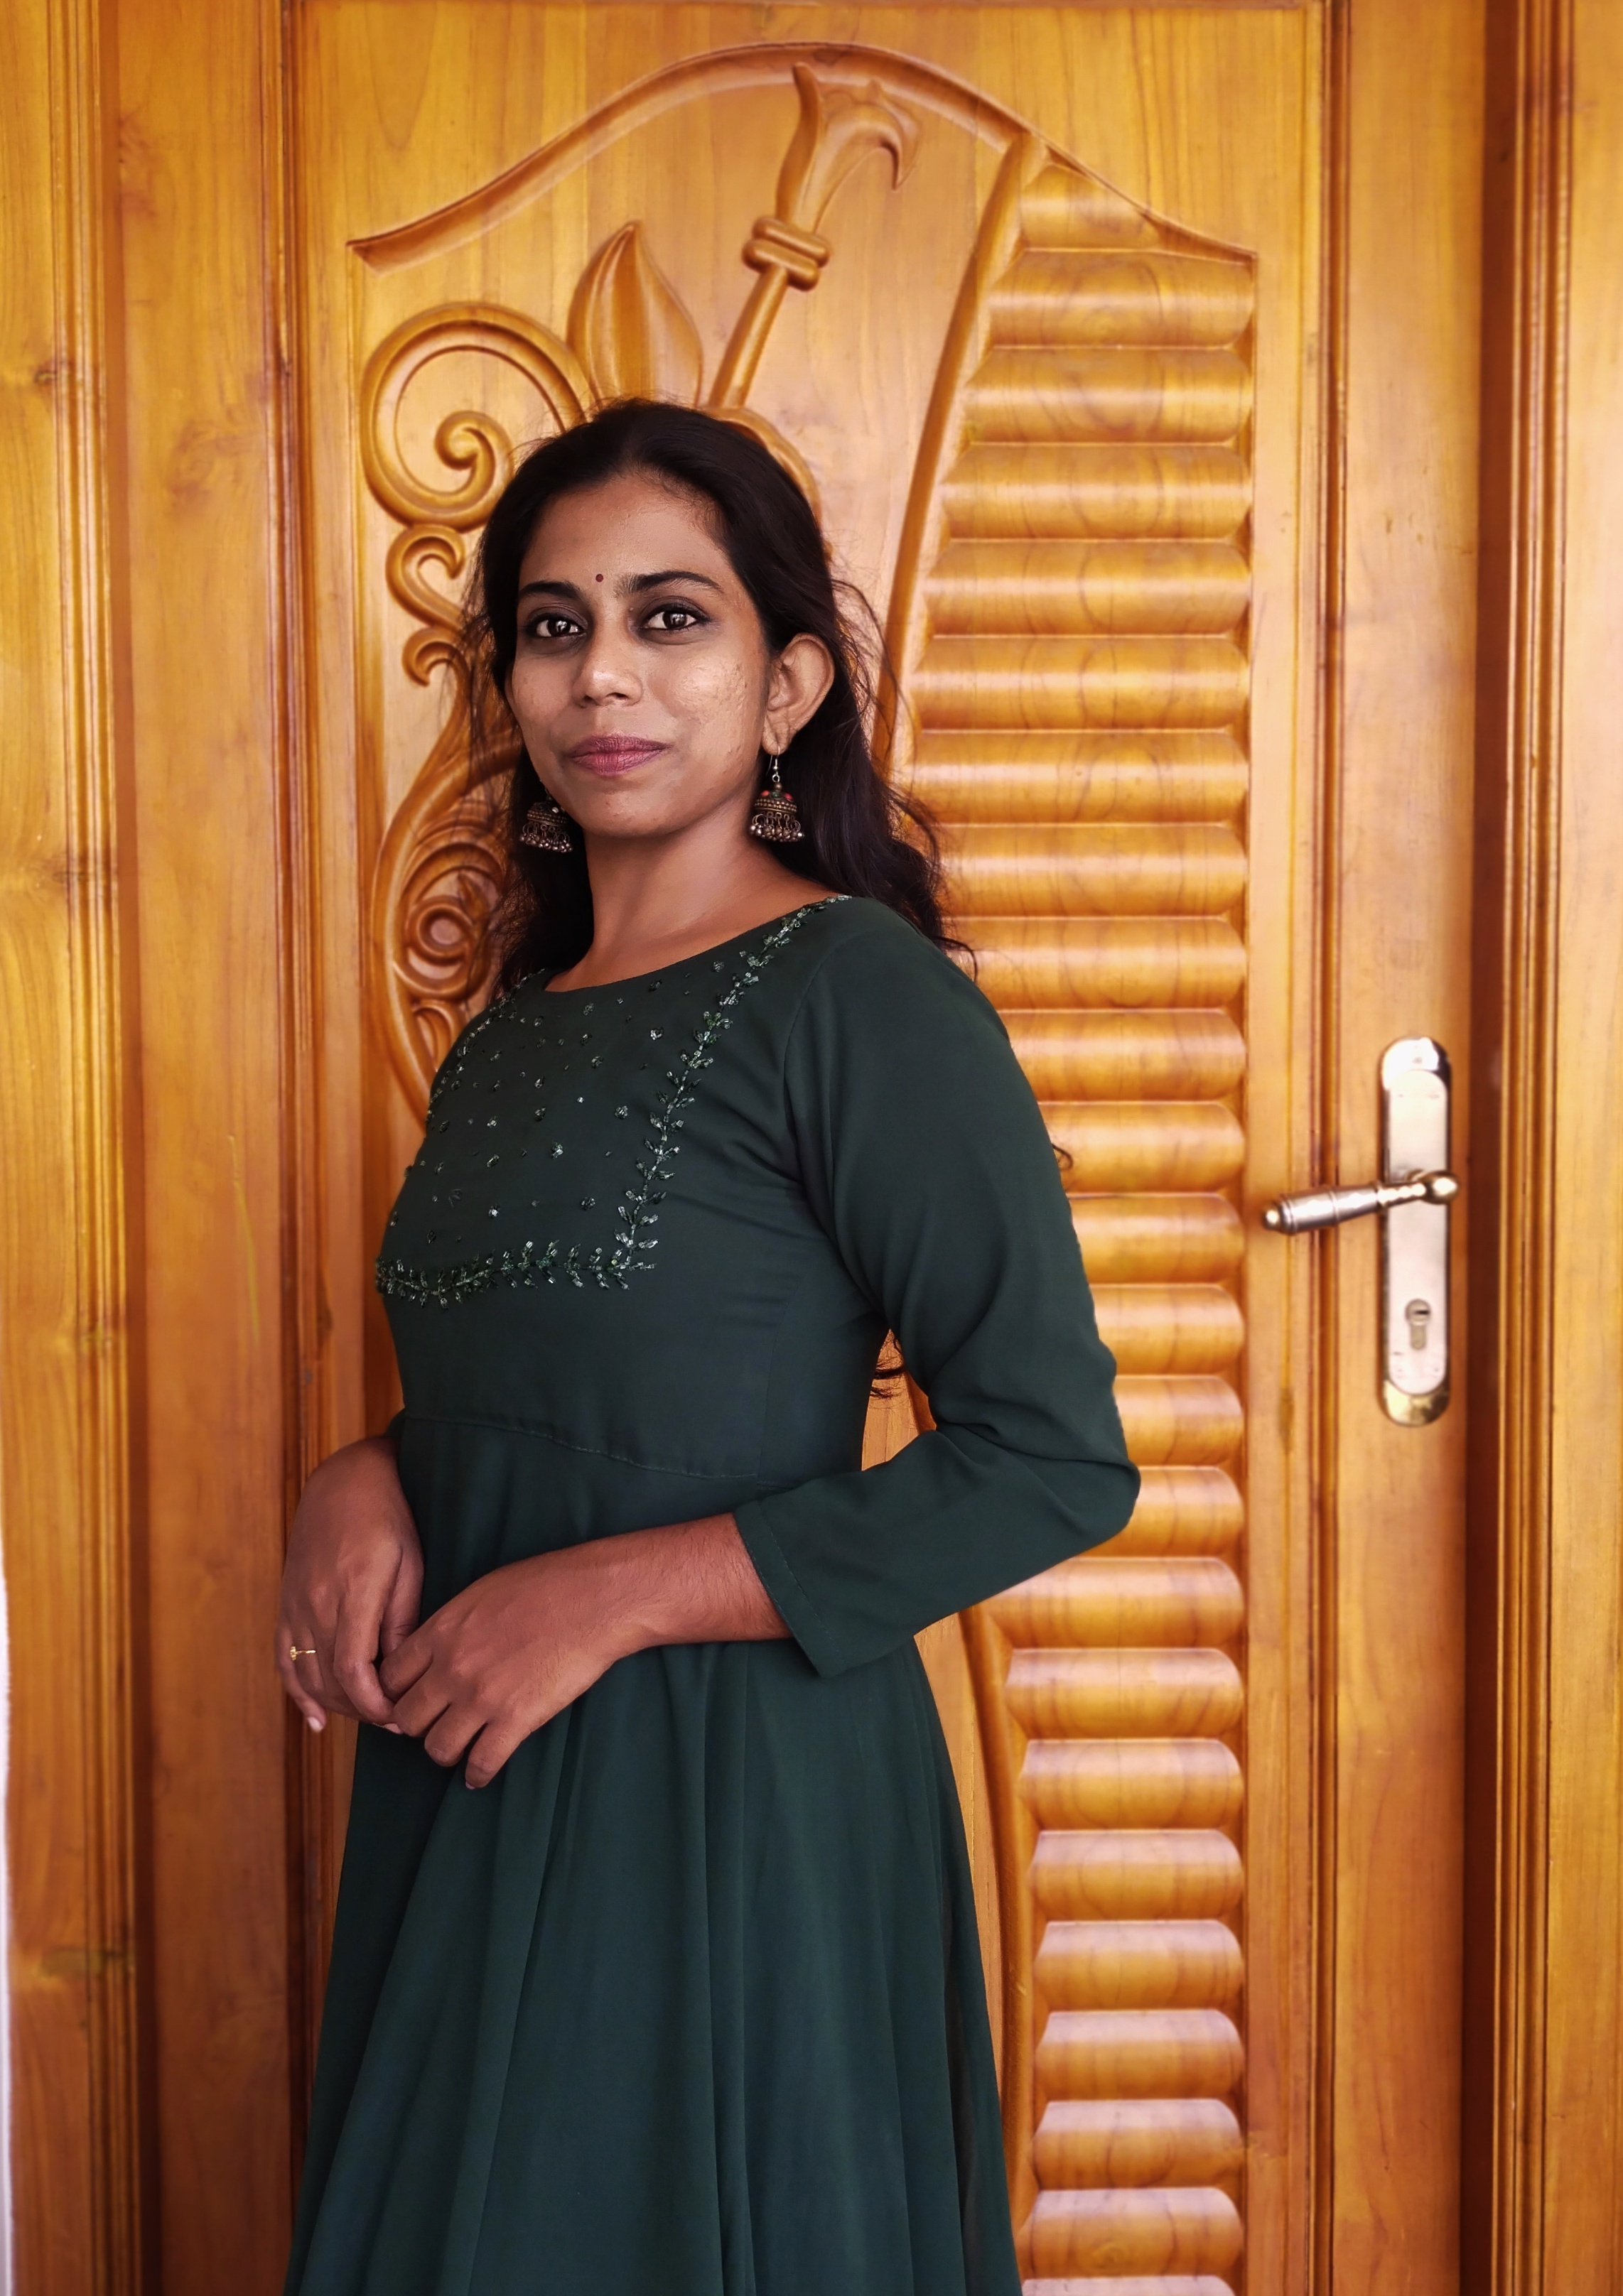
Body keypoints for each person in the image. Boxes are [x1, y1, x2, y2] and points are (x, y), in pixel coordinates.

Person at [276, 399, 1138, 2296]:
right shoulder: (513, 1029)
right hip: (476, 1767)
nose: (604, 675)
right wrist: (366, 1472)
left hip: (727, 1805)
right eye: (555, 626)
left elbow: (1052, 1460)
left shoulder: (860, 999)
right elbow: (562, 1376)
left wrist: (612, 1599)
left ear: (787, 685)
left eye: (671, 618)